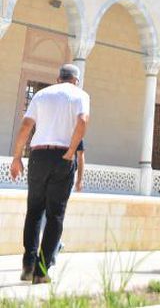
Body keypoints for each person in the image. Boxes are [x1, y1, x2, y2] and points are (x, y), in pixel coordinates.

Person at [10, 63, 90, 284]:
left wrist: (17, 157)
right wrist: (71, 152)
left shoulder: (42, 94)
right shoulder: (80, 95)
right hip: (62, 157)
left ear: (58, 78)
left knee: (34, 210)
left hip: (38, 156)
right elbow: (83, 121)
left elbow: (26, 125)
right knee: (55, 215)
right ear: (76, 80)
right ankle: (41, 271)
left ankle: (28, 266)